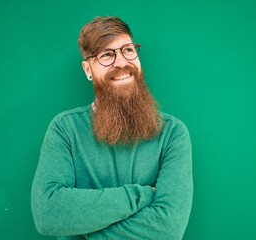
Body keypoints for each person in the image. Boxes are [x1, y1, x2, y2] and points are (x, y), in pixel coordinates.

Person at [31, 16, 193, 240]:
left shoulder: (173, 133)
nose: (121, 62)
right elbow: (48, 214)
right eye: (107, 55)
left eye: (128, 50)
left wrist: (81, 228)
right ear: (88, 69)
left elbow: (168, 228)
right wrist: (142, 195)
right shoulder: (65, 129)